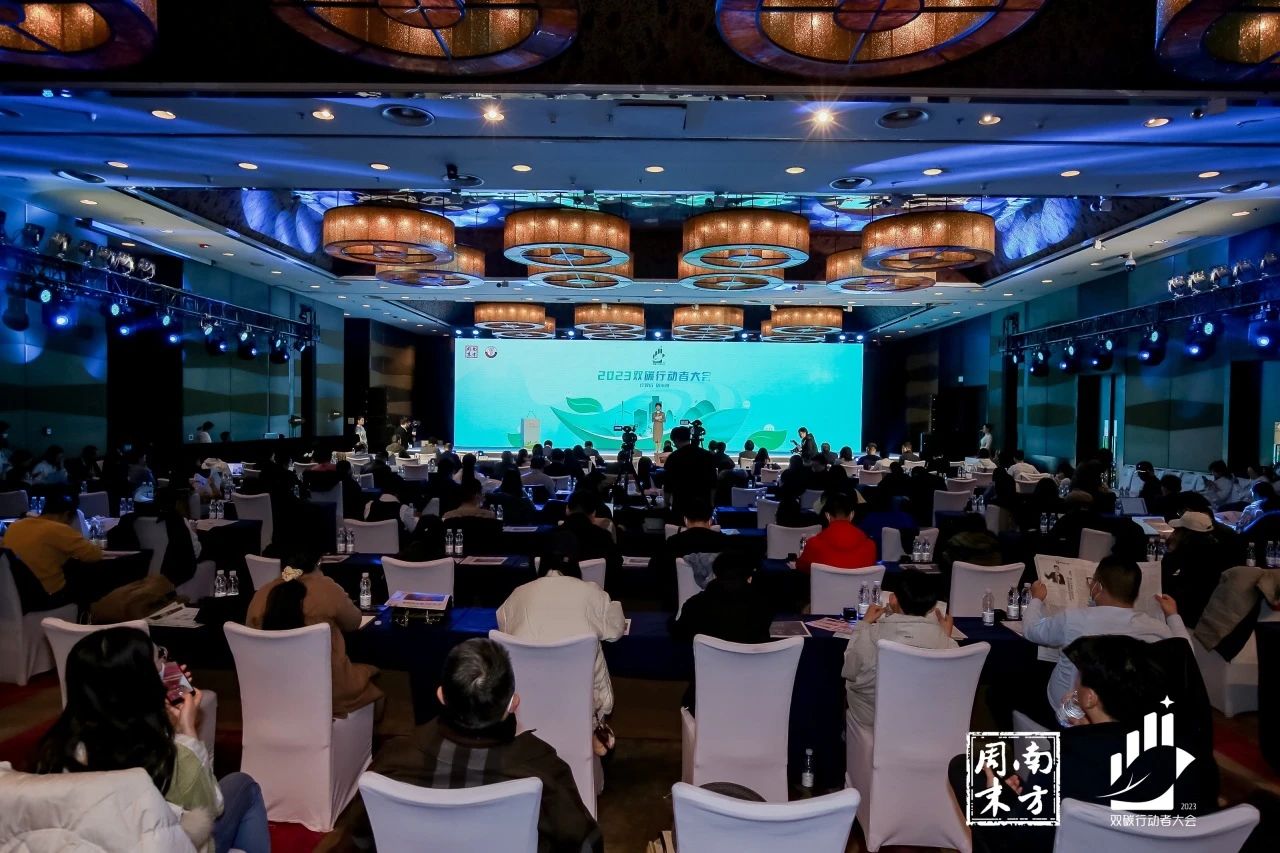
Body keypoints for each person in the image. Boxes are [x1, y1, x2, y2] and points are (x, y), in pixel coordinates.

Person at [951, 634, 1216, 853]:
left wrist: (995, 796)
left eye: (1078, 680)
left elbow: (1018, 841)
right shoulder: (1190, 753)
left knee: (966, 770)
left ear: (1089, 697)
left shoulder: (1064, 760)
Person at [356, 639, 602, 853]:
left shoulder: (392, 761)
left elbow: (361, 837)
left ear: (441, 696)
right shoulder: (542, 767)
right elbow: (586, 844)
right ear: (513, 703)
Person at [35, 629, 269, 853]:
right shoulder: (166, 757)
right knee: (243, 785)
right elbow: (213, 805)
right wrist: (187, 731)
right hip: (172, 846)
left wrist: (160, 717)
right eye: (160, 658)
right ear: (145, 680)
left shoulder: (55, 751)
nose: (167, 664)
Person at [1023, 555, 1186, 725]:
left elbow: (1031, 631)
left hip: (1068, 713)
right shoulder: (1157, 629)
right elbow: (1186, 654)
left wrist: (1036, 599)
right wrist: (1173, 615)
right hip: (1124, 715)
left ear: (1098, 587)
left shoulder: (1072, 619)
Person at [497, 555, 626, 755]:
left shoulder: (517, 594)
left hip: (525, 705)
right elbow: (616, 630)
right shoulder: (592, 592)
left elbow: (503, 629)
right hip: (580, 706)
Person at [246, 552, 383, 717]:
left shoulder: (262, 594)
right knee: (373, 680)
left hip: (271, 691)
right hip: (328, 692)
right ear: (318, 562)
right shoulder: (327, 589)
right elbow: (353, 622)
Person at [843, 568, 956, 728]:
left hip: (874, 717)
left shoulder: (871, 636)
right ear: (932, 607)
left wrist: (864, 625)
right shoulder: (948, 645)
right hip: (925, 716)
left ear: (893, 599)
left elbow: (849, 670)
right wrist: (946, 637)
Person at [673, 552, 774, 709]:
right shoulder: (764, 605)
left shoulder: (695, 604)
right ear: (749, 577)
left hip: (705, 696)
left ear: (715, 575)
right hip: (758, 692)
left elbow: (678, 632)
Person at [0, 488, 102, 608]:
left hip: (14, 597)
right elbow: (94, 555)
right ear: (67, 515)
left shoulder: (14, 526)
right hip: (47, 597)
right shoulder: (59, 529)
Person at [1160, 510, 1236, 629]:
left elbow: (1164, 572)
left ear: (1184, 532)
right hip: (1212, 608)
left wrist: (1171, 548)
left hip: (1188, 611)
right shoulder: (1217, 546)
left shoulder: (1185, 548)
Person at [795, 492, 876, 573]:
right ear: (852, 515)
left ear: (827, 515)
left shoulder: (813, 544)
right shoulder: (870, 546)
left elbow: (801, 567)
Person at [664, 499, 733, 589]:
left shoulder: (673, 542)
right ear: (710, 520)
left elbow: (656, 571)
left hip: (677, 594)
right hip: (718, 595)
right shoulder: (724, 541)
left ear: (685, 520)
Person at [551, 491, 619, 572]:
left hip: (556, 579)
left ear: (567, 509)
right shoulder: (604, 537)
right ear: (593, 513)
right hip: (596, 580)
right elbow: (616, 565)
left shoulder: (550, 536)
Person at [662, 426, 717, 516]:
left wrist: (666, 504)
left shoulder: (673, 457)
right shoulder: (707, 455)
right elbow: (713, 483)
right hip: (703, 506)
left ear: (676, 440)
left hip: (681, 505)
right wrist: (711, 504)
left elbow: (668, 484)